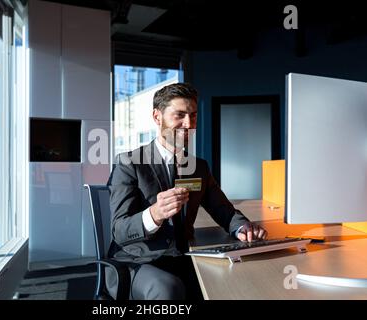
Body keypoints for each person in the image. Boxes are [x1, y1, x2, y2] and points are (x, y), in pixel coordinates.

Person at [106, 83, 268, 300]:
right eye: (179, 115)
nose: (188, 124)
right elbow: (120, 230)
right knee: (168, 290)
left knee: (234, 281)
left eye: (193, 116)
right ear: (157, 117)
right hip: (137, 261)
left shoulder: (199, 167)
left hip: (184, 255)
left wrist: (242, 226)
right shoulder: (129, 164)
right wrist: (154, 214)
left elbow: (223, 210)